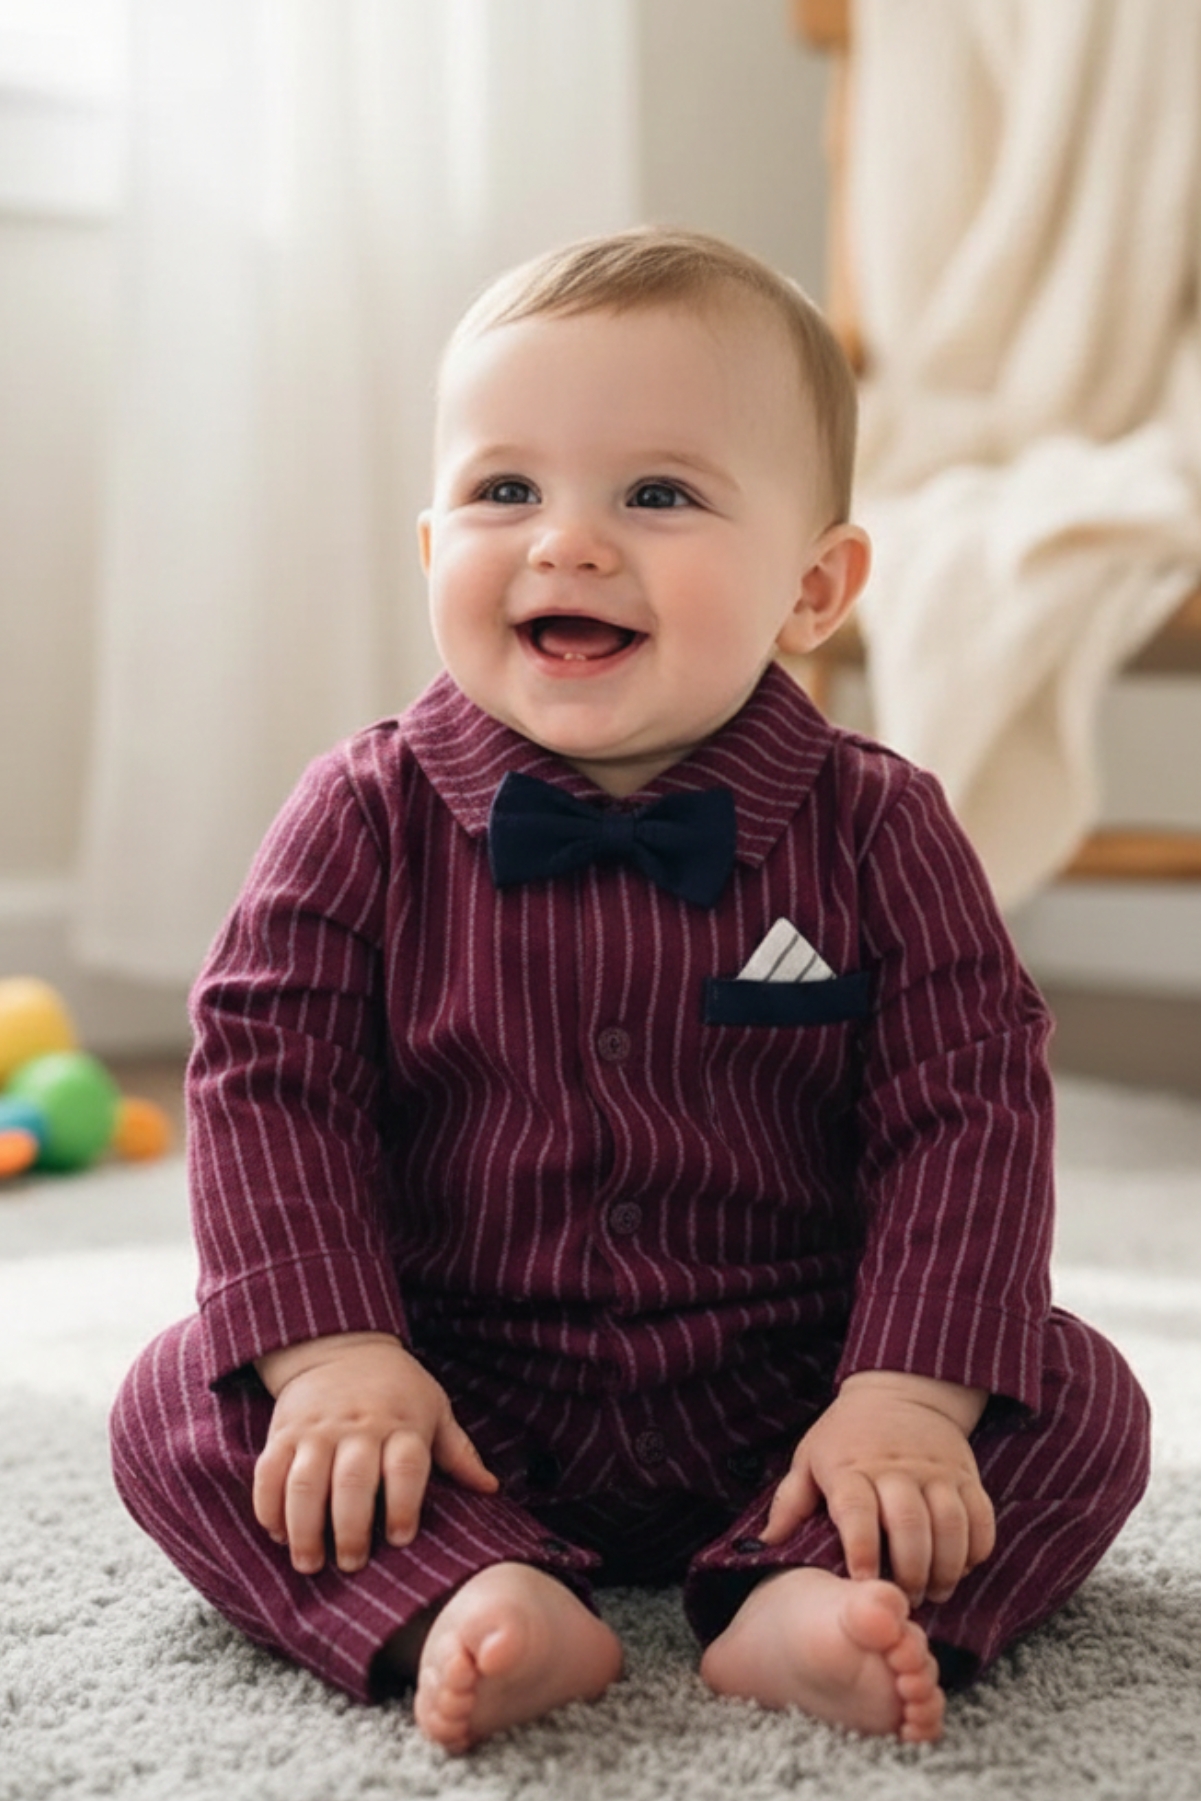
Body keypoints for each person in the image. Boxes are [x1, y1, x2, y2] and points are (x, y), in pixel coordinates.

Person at [110, 226, 1150, 1754]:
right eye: (503, 490)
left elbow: (966, 1101)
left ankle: (801, 1597)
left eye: (656, 494)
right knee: (174, 1407)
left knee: (1079, 1399)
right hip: (450, 1390)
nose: (567, 541)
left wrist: (908, 1395)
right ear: (430, 551)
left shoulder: (880, 826)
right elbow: (268, 1072)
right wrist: (337, 1353)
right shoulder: (360, 812)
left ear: (813, 587)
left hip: (800, 1389)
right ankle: (472, 1594)